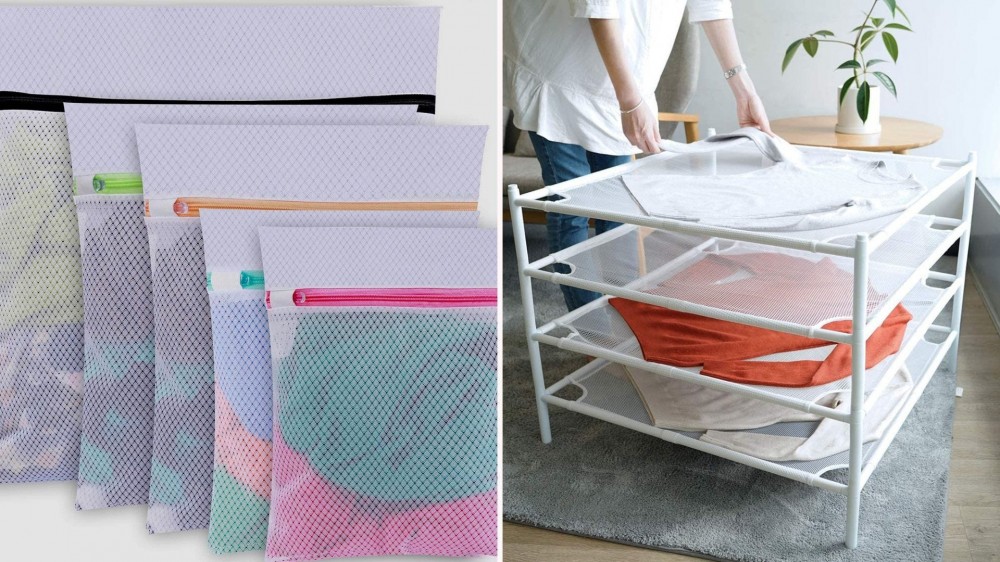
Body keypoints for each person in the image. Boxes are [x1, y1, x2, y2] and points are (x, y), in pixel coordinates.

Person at [504, 0, 772, 310]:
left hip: (623, 76)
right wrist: (630, 101)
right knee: (571, 209)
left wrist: (745, 92)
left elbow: (711, 4)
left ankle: (625, 318)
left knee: (619, 212)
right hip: (559, 69)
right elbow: (599, 7)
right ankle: (589, 329)